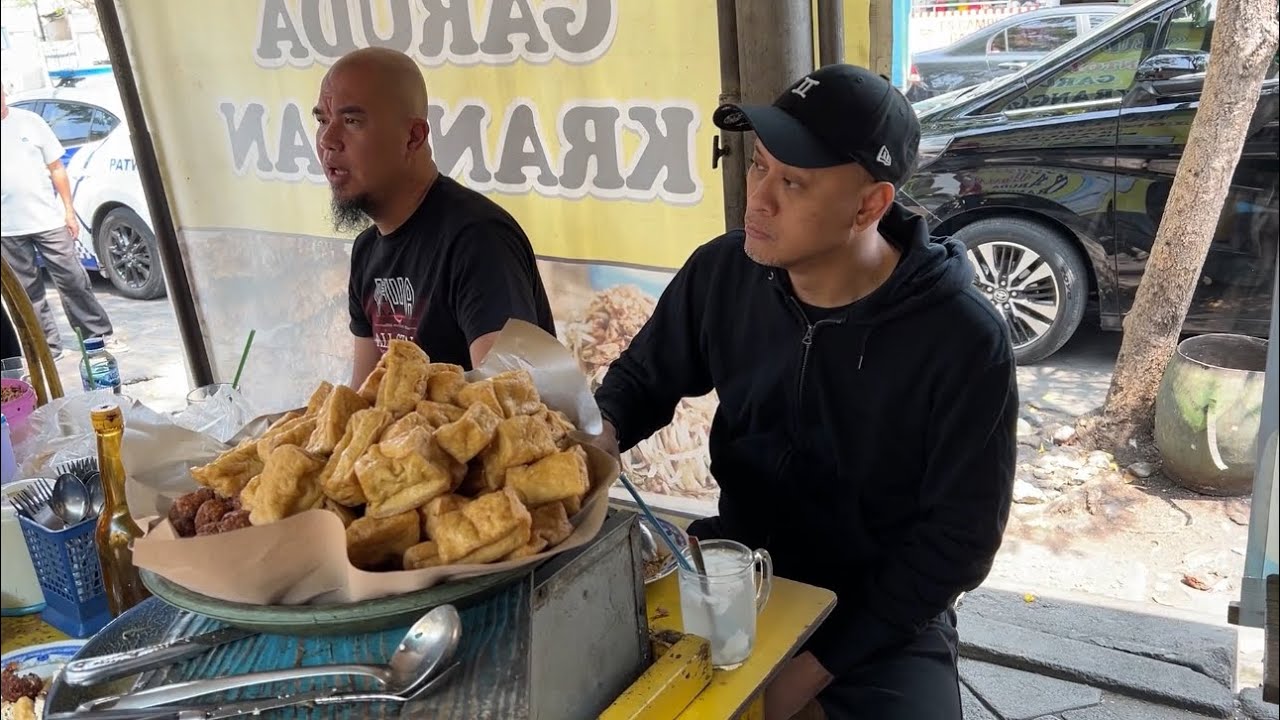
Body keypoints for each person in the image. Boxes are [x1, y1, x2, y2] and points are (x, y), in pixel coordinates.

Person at [594, 64, 1018, 720]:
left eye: (792, 181)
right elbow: (641, 384)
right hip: (738, 568)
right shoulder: (722, 272)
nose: (758, 199)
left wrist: (807, 674)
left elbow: (957, 541)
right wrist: (584, 447)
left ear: (869, 205)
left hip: (881, 611)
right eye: (759, 166)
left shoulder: (961, 338)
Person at [314, 47, 555, 385]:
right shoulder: (367, 251)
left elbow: (509, 407)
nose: (327, 140)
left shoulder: (478, 240)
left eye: (352, 121)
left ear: (413, 137)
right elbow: (363, 403)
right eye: (322, 120)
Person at [1, 87, 122, 360]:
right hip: (7, 229)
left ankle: (97, 337)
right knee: (27, 293)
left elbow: (57, 168)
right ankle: (46, 349)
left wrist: (68, 210)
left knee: (74, 280)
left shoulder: (30, 122)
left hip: (48, 220)